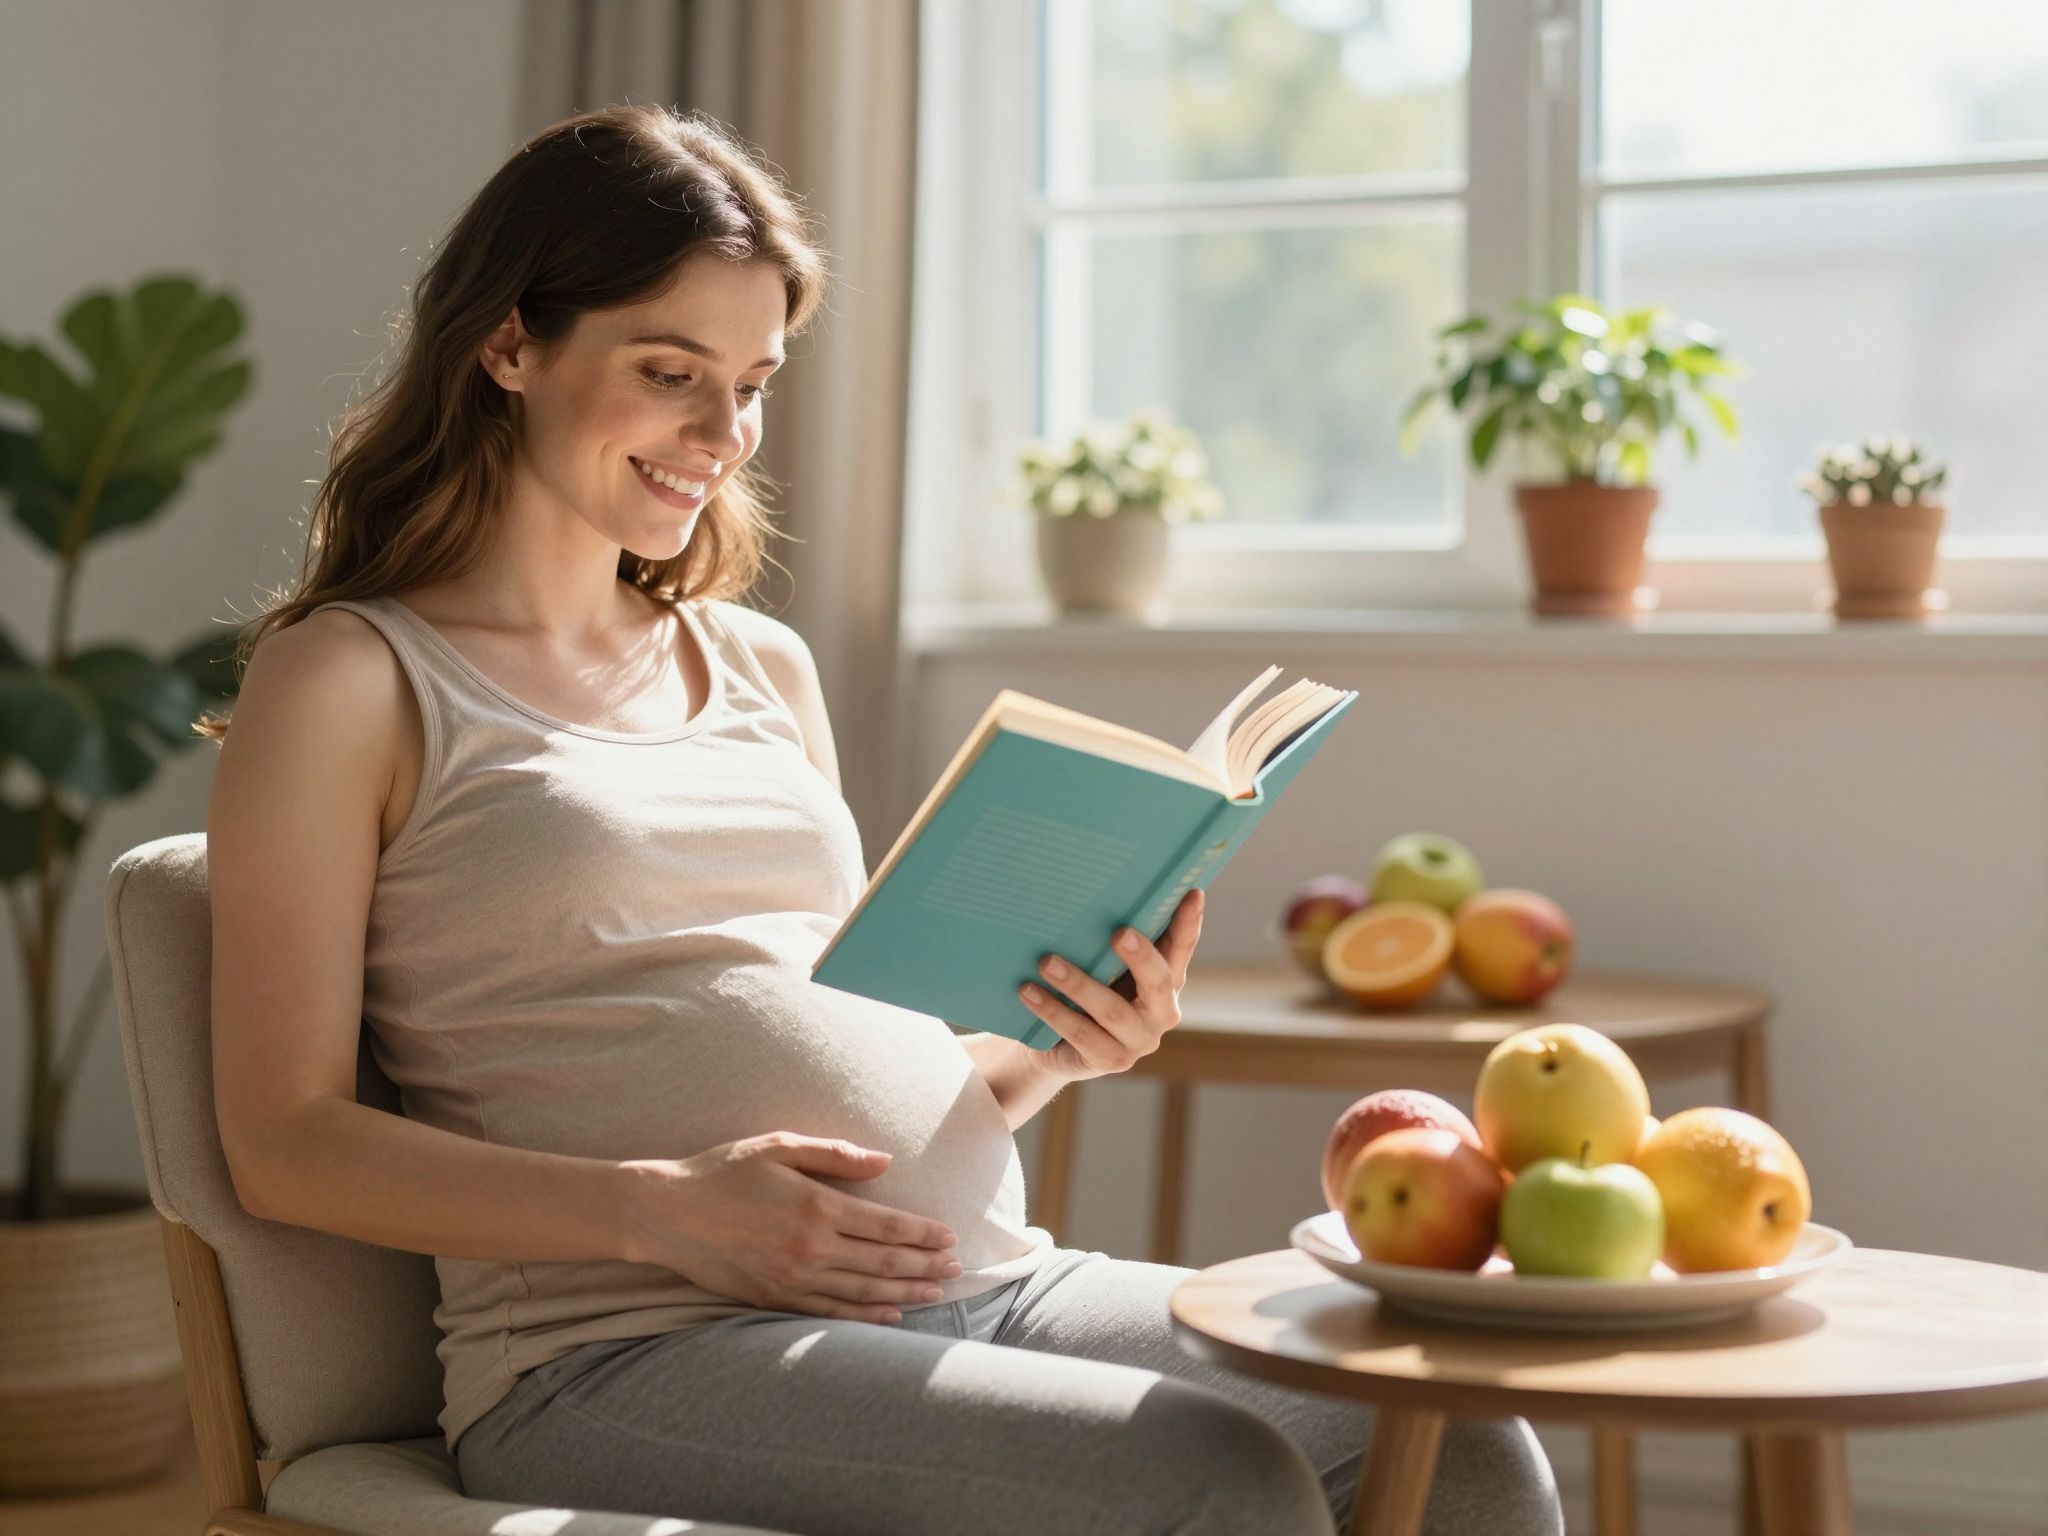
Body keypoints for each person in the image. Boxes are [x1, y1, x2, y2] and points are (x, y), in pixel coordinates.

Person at [203, 103, 1562, 1536]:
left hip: (988, 1280)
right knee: (1212, 1483)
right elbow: (282, 1140)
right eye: (671, 372)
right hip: (625, 1349)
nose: (722, 434)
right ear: (509, 346)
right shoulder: (352, 680)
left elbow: (856, 1050)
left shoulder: (759, 665)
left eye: (754, 381)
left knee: (1456, 1435)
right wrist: (657, 1207)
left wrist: (1051, 1045)